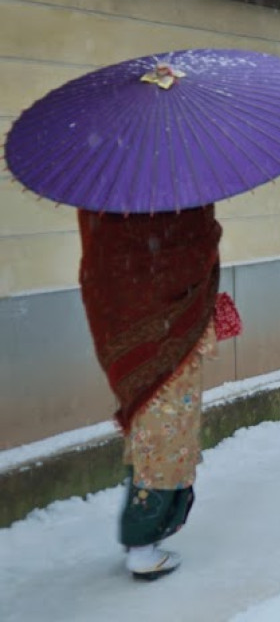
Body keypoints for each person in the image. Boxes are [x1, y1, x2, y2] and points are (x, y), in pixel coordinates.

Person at [77, 204, 223, 580]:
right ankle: (142, 547)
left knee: (151, 436)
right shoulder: (172, 195)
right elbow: (191, 254)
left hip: (138, 333)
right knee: (162, 440)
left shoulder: (108, 199)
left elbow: (104, 273)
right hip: (169, 338)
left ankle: (140, 536)